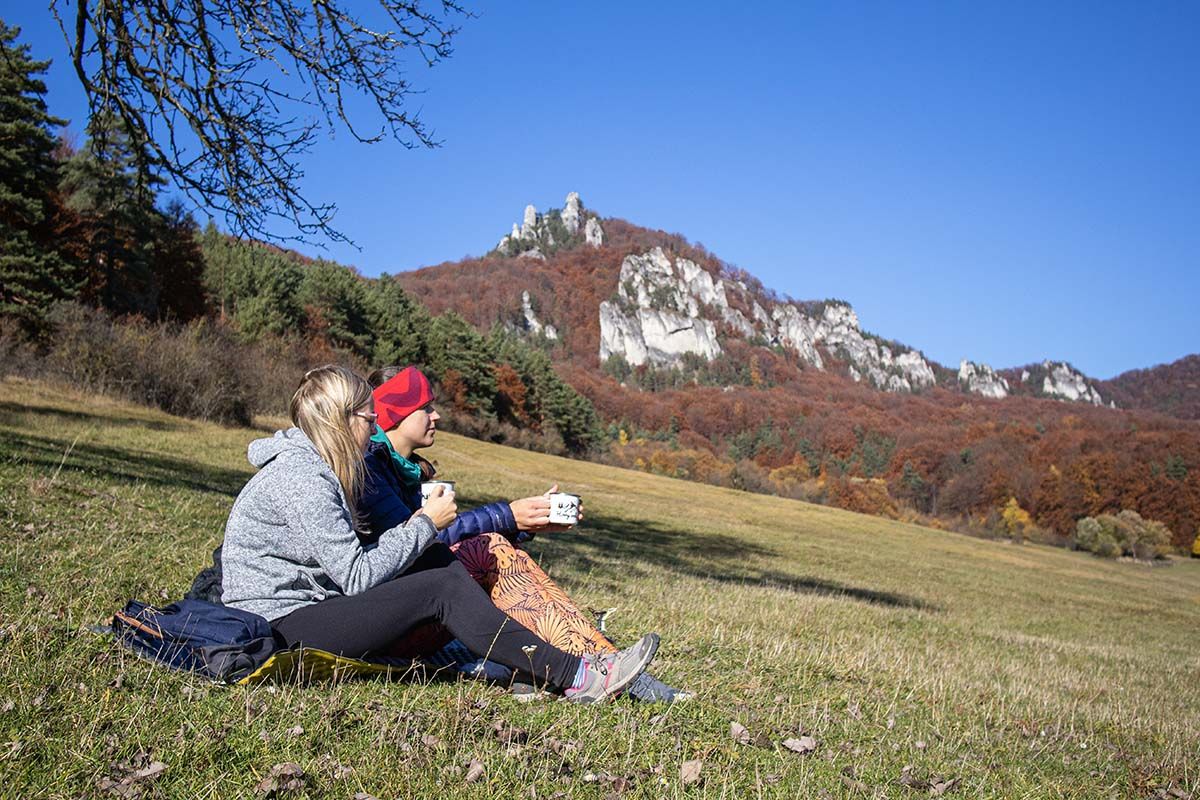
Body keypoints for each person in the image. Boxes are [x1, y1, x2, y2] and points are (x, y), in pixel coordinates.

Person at [219, 364, 658, 702]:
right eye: (368, 420)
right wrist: (426, 522)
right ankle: (577, 675)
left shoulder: (318, 468)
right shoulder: (303, 477)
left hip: (305, 608)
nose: (374, 430)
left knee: (439, 567)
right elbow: (355, 575)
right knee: (441, 584)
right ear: (341, 420)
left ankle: (546, 669)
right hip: (279, 623)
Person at [361, 365, 689, 703]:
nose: (438, 415)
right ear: (396, 414)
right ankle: (606, 675)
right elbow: (413, 544)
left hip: (415, 609)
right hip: (383, 629)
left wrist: (521, 524)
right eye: (426, 407)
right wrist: (508, 516)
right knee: (487, 549)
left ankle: (579, 667)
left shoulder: (406, 472)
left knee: (497, 550)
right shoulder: (371, 470)